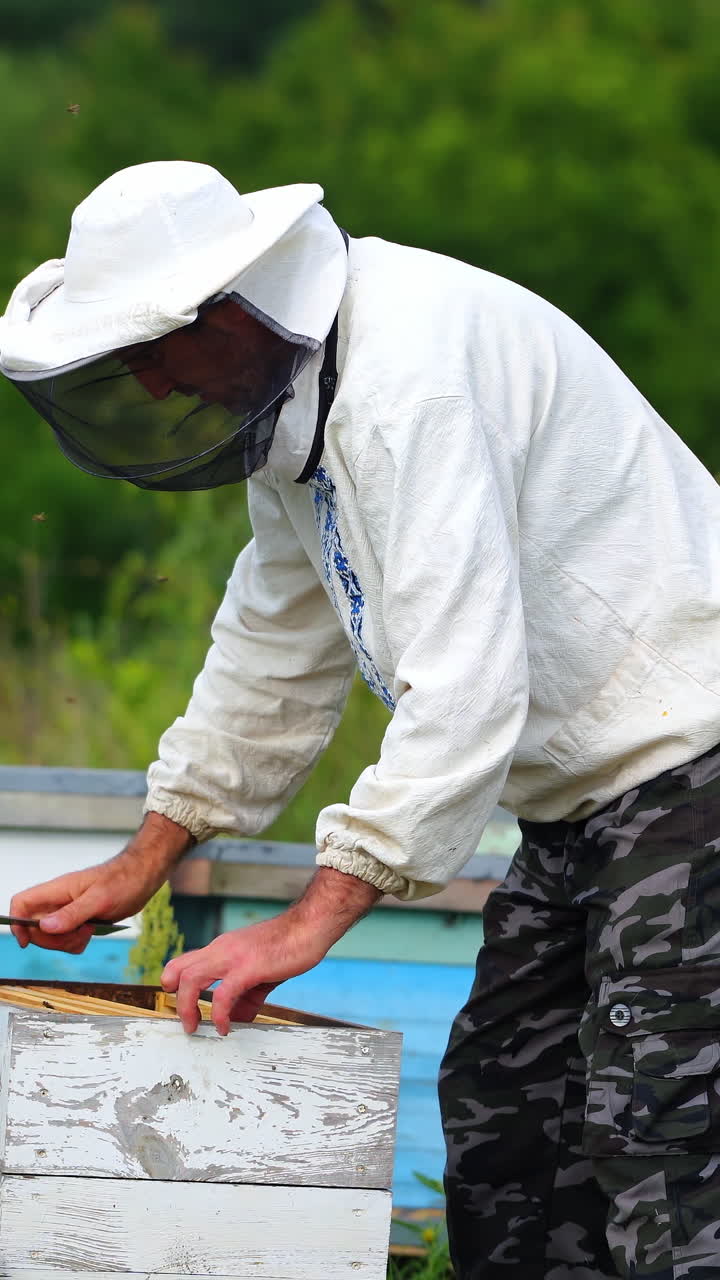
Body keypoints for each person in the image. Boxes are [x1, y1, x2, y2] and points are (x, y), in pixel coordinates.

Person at [2, 160, 720, 1280]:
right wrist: (146, 856)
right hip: (584, 805)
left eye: (150, 355)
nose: (148, 391)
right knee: (508, 1128)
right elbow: (273, 651)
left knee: (660, 1135)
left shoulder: (410, 381)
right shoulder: (301, 404)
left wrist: (305, 923)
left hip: (695, 779)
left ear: (229, 312)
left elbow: (466, 688)